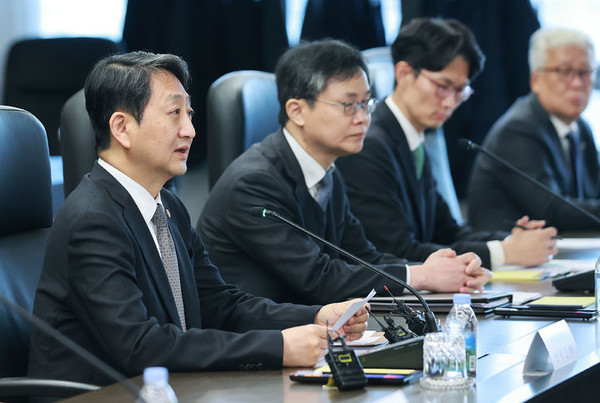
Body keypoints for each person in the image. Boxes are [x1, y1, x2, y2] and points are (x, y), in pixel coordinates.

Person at [28, 51, 369, 386]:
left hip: (169, 387)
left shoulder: (169, 206)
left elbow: (221, 305)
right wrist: (279, 347)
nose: (190, 130)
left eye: (189, 114)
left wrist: (315, 315)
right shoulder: (93, 220)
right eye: (174, 113)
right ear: (122, 127)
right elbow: (140, 346)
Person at [198, 39, 491, 306]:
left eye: (365, 103)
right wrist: (422, 276)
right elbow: (317, 277)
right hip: (260, 336)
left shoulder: (327, 171)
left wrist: (437, 270)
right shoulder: (253, 183)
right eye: (348, 105)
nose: (363, 118)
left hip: (316, 327)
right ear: (297, 111)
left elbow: (362, 256)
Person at [336, 18, 558, 270]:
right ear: (404, 73)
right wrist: (503, 253)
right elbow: (396, 250)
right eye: (443, 86)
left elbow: (447, 231)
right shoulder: (368, 145)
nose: (450, 102)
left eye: (460, 90)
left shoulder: (413, 139)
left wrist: (512, 241)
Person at [468, 27, 600, 232]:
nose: (577, 83)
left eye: (584, 72)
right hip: (507, 249)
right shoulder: (518, 129)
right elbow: (552, 210)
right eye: (563, 71)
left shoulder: (580, 128)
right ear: (535, 80)